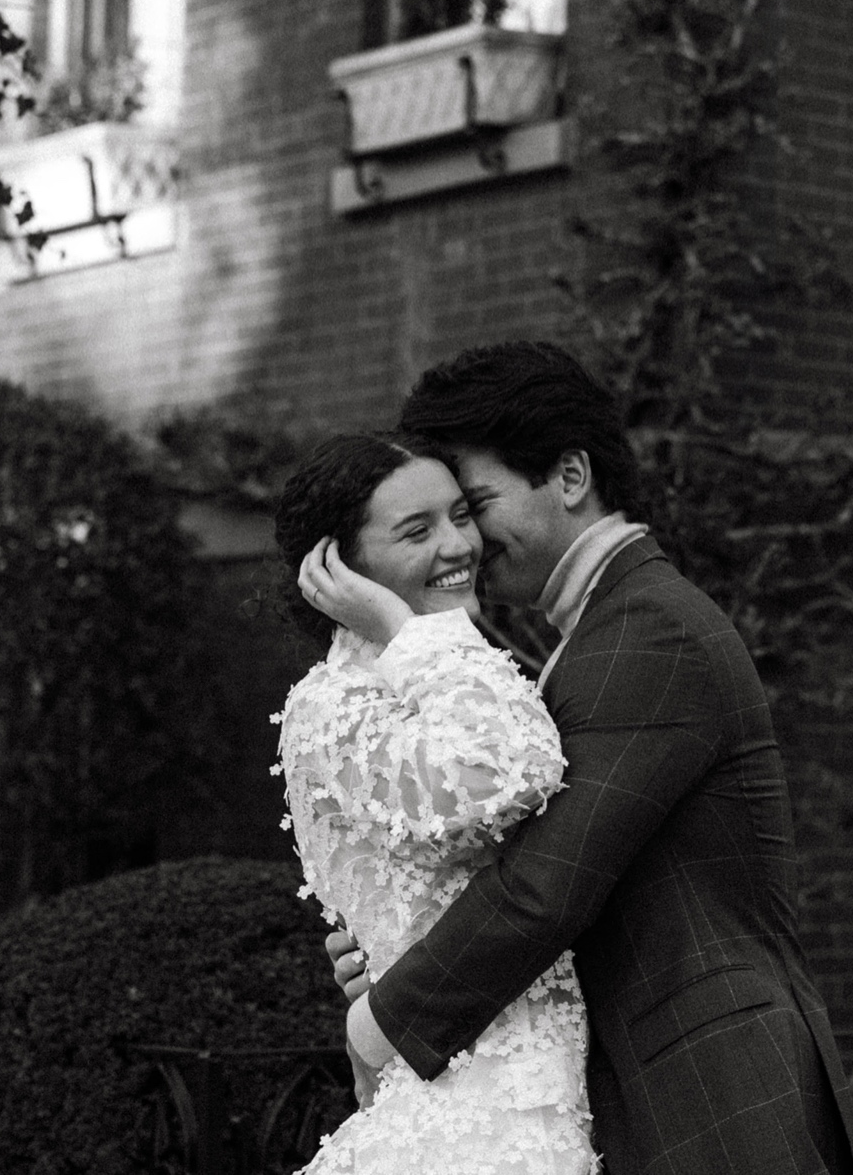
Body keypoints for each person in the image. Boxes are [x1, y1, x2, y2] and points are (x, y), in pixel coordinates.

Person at [328, 342, 853, 1175]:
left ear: (571, 477)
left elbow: (547, 885)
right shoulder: (600, 630)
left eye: (474, 504)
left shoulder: (649, 631)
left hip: (718, 1097)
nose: (467, 540)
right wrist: (390, 932)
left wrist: (379, 1024)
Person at [273, 431, 597, 1175]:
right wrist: (399, 629)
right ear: (341, 567)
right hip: (475, 1095)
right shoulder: (335, 708)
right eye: (417, 531)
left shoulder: (451, 674)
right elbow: (507, 771)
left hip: (538, 1083)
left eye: (461, 515)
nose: (459, 545)